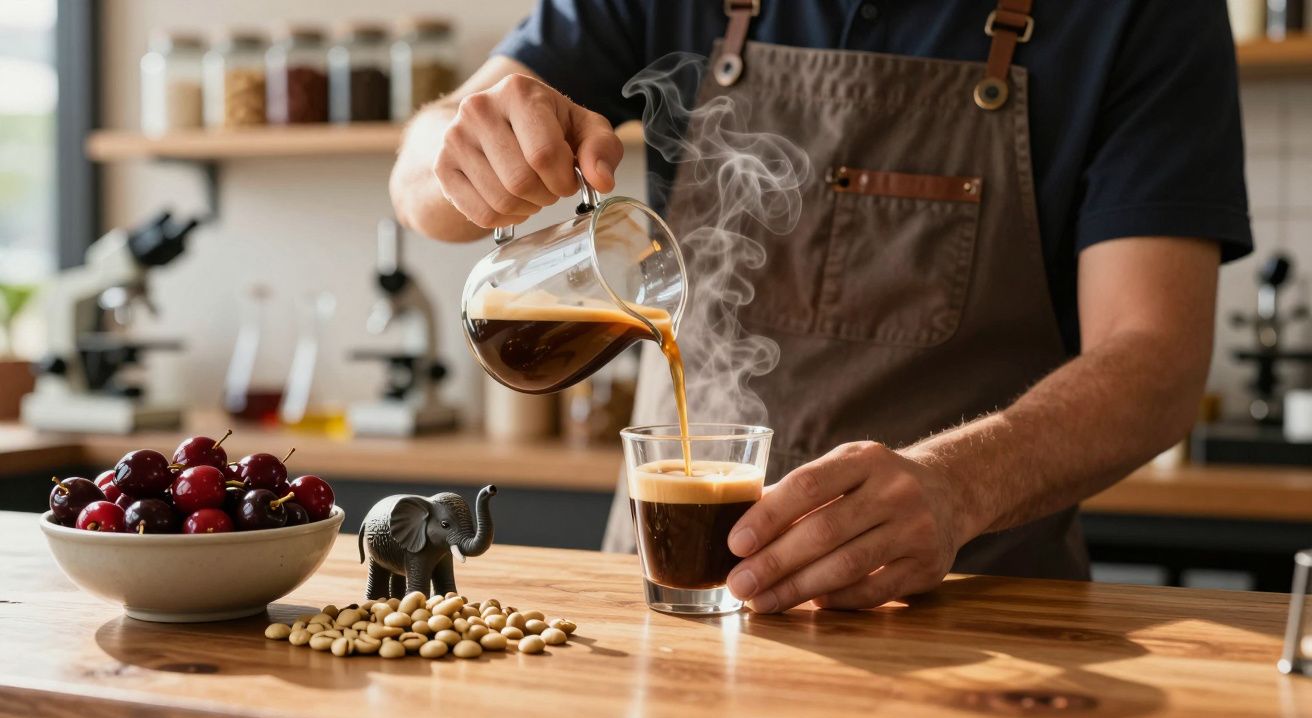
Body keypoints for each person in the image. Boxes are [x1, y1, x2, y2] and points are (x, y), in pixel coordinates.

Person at [389, 1, 1252, 613]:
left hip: (974, 610)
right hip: (666, 606)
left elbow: (1157, 357)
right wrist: (465, 141)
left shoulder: (1146, 13)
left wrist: (955, 488)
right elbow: (419, 184)